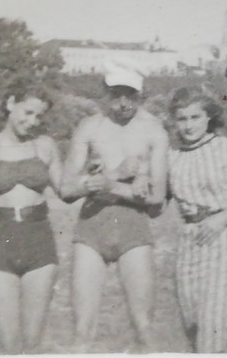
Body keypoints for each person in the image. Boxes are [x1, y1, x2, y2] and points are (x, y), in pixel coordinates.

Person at [61, 60, 168, 352]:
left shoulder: (153, 130)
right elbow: (66, 188)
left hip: (133, 227)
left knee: (144, 329)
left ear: (140, 95)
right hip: (92, 227)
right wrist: (115, 178)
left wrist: (108, 185)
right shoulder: (89, 127)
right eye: (116, 94)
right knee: (82, 333)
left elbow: (158, 197)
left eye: (130, 95)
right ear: (105, 93)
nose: (122, 103)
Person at [0, 91, 64, 354]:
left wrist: (102, 177)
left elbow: (67, 190)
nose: (33, 121)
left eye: (39, 116)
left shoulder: (45, 146)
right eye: (28, 112)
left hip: (39, 237)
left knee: (33, 345)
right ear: (11, 103)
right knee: (6, 346)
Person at [167, 88, 227, 353]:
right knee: (194, 326)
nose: (188, 125)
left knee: (213, 324)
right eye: (182, 119)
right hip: (189, 243)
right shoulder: (172, 156)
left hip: (225, 239)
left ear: (209, 117)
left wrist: (224, 218)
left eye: (195, 117)